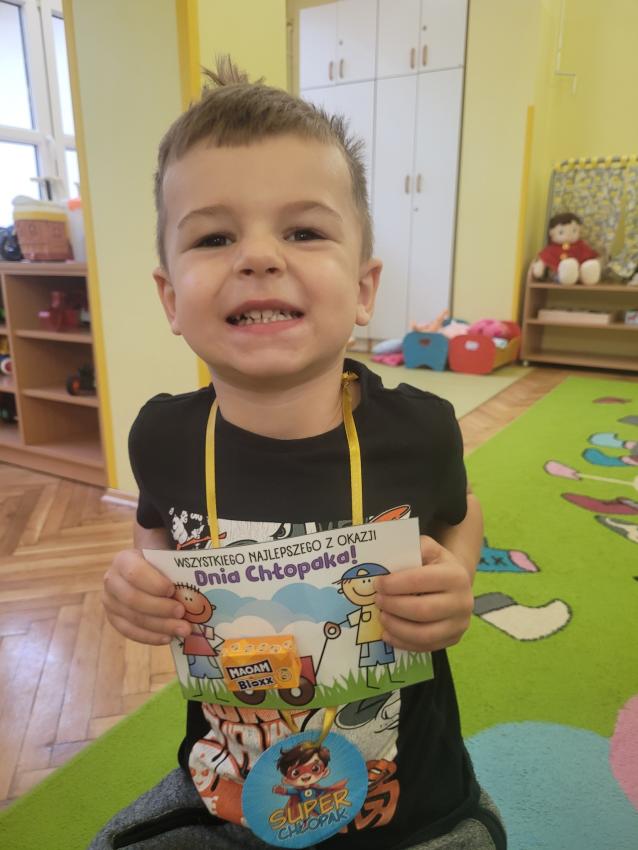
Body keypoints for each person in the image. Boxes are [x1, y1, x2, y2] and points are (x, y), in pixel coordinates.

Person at [96, 56, 506, 850]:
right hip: (232, 789)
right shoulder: (163, 437)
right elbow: (154, 531)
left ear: (363, 288)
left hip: (410, 802)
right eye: (214, 236)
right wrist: (137, 580)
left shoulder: (421, 430)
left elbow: (463, 513)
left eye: (303, 231)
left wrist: (456, 579)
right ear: (170, 298)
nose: (259, 256)